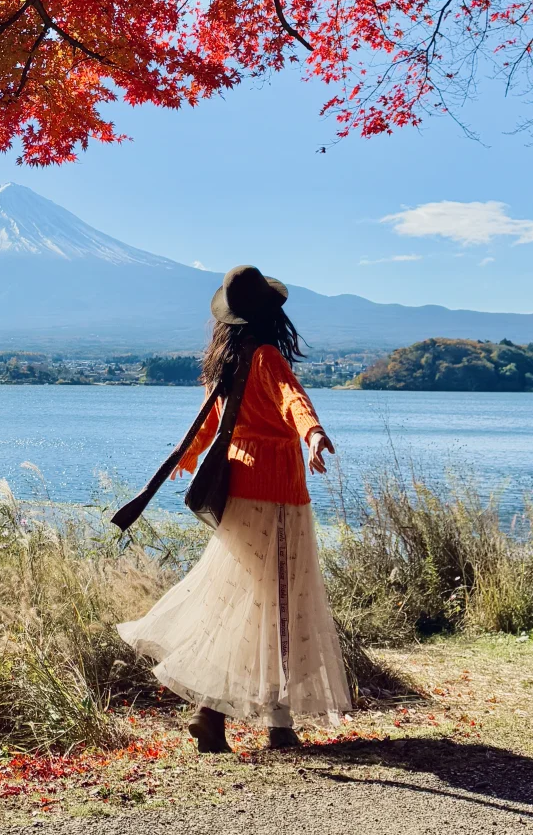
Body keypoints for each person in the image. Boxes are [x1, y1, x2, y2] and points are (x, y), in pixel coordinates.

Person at [117, 265, 352, 752]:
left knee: (244, 601)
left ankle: (229, 716)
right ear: (270, 316)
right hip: (278, 488)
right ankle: (273, 723)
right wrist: (312, 434)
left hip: (238, 487)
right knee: (283, 602)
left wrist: (188, 456)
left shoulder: (222, 366)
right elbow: (293, 400)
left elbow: (209, 425)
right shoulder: (267, 357)